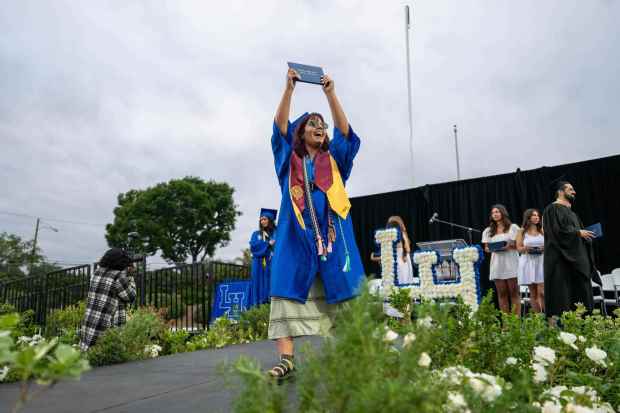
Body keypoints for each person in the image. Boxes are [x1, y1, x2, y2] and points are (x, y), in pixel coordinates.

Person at [266, 67, 364, 380]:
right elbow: (279, 128)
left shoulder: (335, 159)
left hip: (334, 240)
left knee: (343, 293)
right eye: (312, 124)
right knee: (286, 292)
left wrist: (330, 93)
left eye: (322, 125)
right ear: (301, 132)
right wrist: (289, 90)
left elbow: (346, 133)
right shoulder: (288, 160)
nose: (319, 127)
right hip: (297, 239)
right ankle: (286, 359)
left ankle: (351, 355)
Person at [543, 181, 597, 319]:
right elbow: (556, 232)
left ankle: (584, 325)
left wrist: (585, 237)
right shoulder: (552, 209)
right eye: (570, 189)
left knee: (581, 295)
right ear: (561, 192)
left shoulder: (572, 214)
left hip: (577, 260)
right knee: (563, 297)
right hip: (561, 261)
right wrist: (578, 233)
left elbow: (575, 232)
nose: (574, 192)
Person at [79, 248, 136, 351]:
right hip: (106, 329)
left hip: (90, 325)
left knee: (89, 357)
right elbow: (131, 296)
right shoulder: (118, 276)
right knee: (107, 362)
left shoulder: (97, 272)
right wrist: (130, 276)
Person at [481, 204, 520, 315]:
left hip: (511, 262)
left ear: (503, 213)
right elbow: (487, 248)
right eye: (493, 213)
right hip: (497, 264)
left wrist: (509, 246)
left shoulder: (513, 227)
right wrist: (493, 248)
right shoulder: (488, 231)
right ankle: (506, 324)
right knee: (502, 293)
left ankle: (515, 322)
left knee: (514, 293)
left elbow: (519, 245)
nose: (495, 214)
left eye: (497, 212)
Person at [370, 216, 416, 284]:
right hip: (404, 262)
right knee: (404, 282)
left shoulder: (388, 236)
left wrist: (378, 257)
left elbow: (375, 256)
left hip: (395, 263)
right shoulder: (403, 234)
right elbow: (408, 249)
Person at [516, 208, 545, 313]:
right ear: (528, 217)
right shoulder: (522, 231)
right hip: (528, 262)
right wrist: (526, 248)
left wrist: (543, 248)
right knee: (533, 293)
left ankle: (548, 317)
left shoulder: (542, 230)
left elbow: (549, 245)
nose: (536, 217)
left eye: (537, 215)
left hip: (540, 262)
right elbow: (518, 248)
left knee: (542, 292)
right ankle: (539, 319)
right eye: (534, 215)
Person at [248, 208, 277, 307]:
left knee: (271, 282)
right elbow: (253, 247)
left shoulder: (276, 233)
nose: (262, 221)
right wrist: (267, 244)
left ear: (270, 220)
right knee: (258, 284)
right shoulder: (256, 234)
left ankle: (270, 305)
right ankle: (257, 307)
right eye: (261, 219)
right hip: (258, 263)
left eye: (265, 219)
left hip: (272, 263)